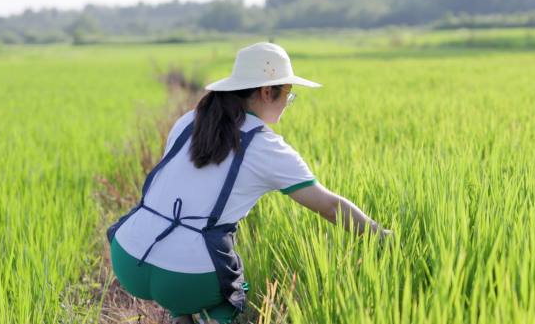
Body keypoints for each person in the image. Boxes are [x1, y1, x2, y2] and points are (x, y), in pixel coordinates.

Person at [108, 42, 391, 324]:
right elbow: (329, 206)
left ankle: (179, 315)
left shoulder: (188, 122)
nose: (288, 104)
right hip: (186, 276)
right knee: (240, 289)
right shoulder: (265, 146)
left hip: (128, 255)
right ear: (267, 92)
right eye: (288, 95)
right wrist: (382, 236)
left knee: (181, 269)